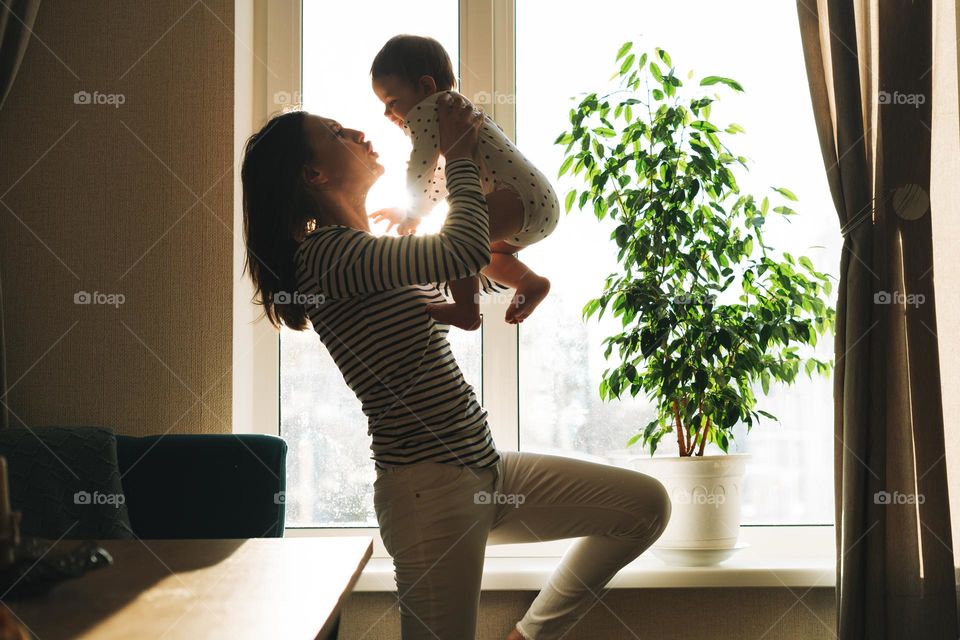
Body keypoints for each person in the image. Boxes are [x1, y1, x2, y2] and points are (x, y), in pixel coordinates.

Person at [240, 92, 672, 640]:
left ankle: (528, 636)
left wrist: (523, 278)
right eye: (337, 132)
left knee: (643, 507)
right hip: (429, 490)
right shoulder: (326, 255)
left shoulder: (367, 250)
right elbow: (462, 249)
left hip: (484, 467)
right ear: (314, 173)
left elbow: (466, 272)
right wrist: (461, 153)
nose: (359, 133)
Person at [369, 34, 557, 330]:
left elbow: (422, 164)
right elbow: (445, 176)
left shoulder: (429, 109)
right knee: (484, 254)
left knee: (457, 240)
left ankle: (467, 311)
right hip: (536, 202)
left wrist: (412, 212)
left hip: (516, 198)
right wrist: (418, 209)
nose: (386, 112)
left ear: (425, 86)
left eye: (392, 101)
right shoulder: (458, 109)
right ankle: (529, 281)